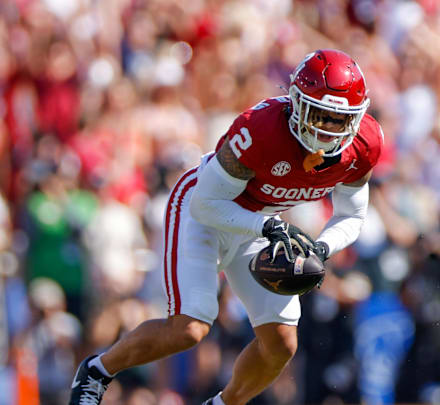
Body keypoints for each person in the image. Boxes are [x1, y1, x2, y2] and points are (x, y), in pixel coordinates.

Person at [68, 49, 383, 405]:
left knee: (281, 344)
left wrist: (322, 248)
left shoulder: (364, 144)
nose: (327, 129)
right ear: (296, 103)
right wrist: (266, 227)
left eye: (338, 119)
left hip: (261, 223)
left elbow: (352, 216)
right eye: (319, 115)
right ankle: (97, 370)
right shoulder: (260, 130)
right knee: (189, 328)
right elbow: (206, 204)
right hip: (205, 211)